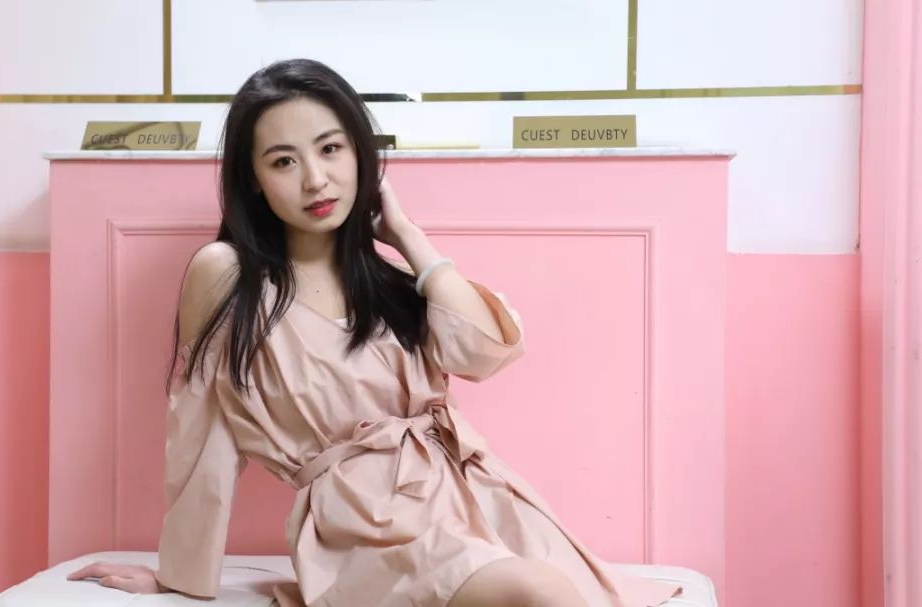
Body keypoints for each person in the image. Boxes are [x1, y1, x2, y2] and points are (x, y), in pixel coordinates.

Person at [66, 58, 682, 607]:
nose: (315, 179)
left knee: (562, 588)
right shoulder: (229, 276)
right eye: (283, 161)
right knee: (536, 592)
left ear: (362, 153)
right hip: (365, 525)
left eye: (331, 149)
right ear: (253, 178)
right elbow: (203, 424)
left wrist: (409, 237)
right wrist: (180, 574)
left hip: (476, 500)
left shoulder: (390, 284)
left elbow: (483, 354)